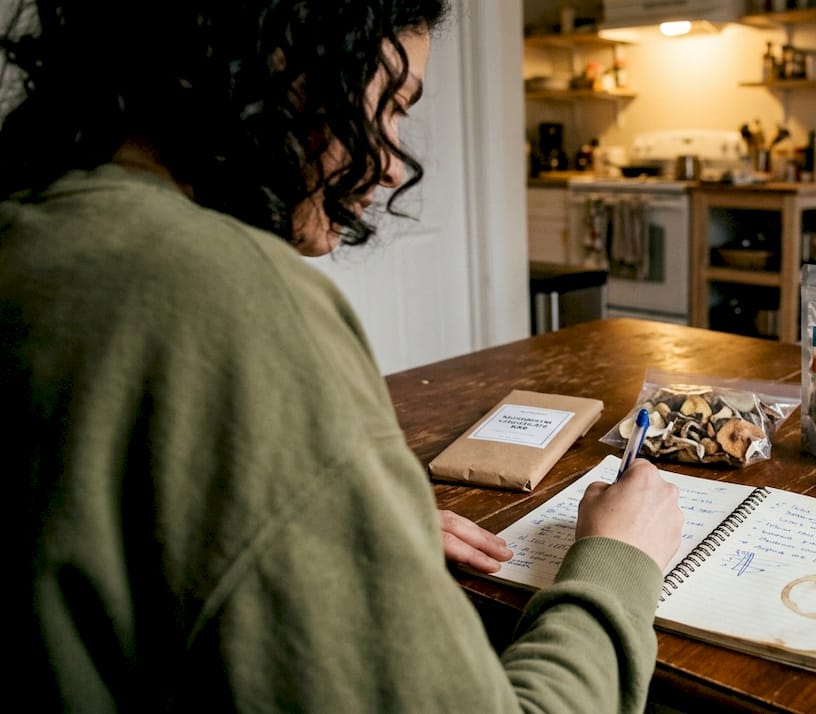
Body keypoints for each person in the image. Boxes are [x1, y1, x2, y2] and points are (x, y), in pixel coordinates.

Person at [1, 1, 683, 711]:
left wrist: (326, 512)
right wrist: (619, 561)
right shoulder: (229, 296)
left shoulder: (32, 232)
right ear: (284, 64)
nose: (390, 165)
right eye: (390, 105)